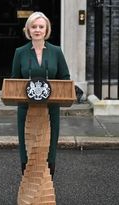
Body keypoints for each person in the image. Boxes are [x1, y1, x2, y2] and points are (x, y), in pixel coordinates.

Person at [11, 11, 71, 178]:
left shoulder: (56, 51)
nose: (37, 30)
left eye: (41, 27)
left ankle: (47, 181)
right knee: (27, 145)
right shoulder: (20, 52)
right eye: (34, 26)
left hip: (51, 108)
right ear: (28, 30)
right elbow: (14, 81)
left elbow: (65, 78)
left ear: (47, 30)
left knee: (49, 144)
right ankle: (27, 179)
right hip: (26, 108)